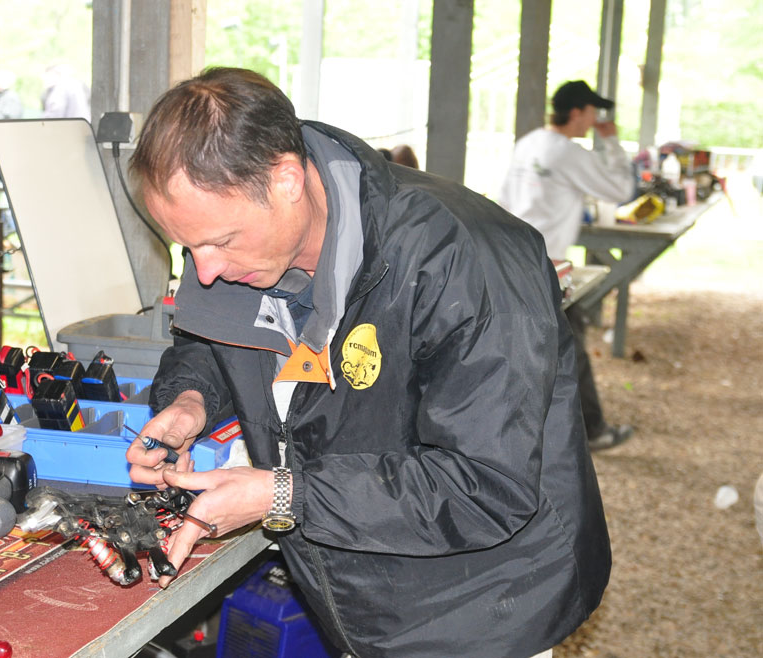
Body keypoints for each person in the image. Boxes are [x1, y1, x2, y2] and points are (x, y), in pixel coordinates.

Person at [126, 68, 610, 657]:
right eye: (187, 246)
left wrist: (284, 495)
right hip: (355, 592)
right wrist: (190, 401)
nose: (203, 271)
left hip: (484, 606)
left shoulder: (468, 262)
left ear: (285, 180)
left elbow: (487, 485)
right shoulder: (236, 242)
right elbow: (207, 340)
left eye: (219, 243)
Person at [498, 80, 635, 451]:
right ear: (577, 113)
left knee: (530, 347)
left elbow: (503, 200)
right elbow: (620, 190)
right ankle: (593, 431)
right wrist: (611, 143)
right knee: (569, 347)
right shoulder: (567, 153)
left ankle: (523, 429)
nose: (595, 120)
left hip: (511, 256)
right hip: (548, 266)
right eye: (592, 112)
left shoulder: (529, 143)